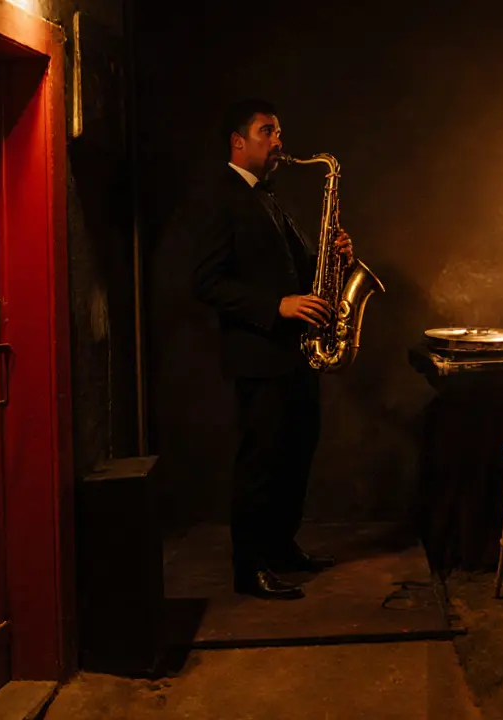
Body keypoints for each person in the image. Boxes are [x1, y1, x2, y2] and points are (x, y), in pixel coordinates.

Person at [188, 99, 354, 600]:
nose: (279, 141)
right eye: (267, 132)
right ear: (238, 143)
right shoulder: (221, 198)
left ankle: (281, 547)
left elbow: (308, 270)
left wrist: (339, 257)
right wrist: (277, 305)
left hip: (295, 355)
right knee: (260, 464)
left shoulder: (269, 198)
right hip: (259, 357)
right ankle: (250, 567)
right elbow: (206, 282)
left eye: (279, 131)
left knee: (295, 455)